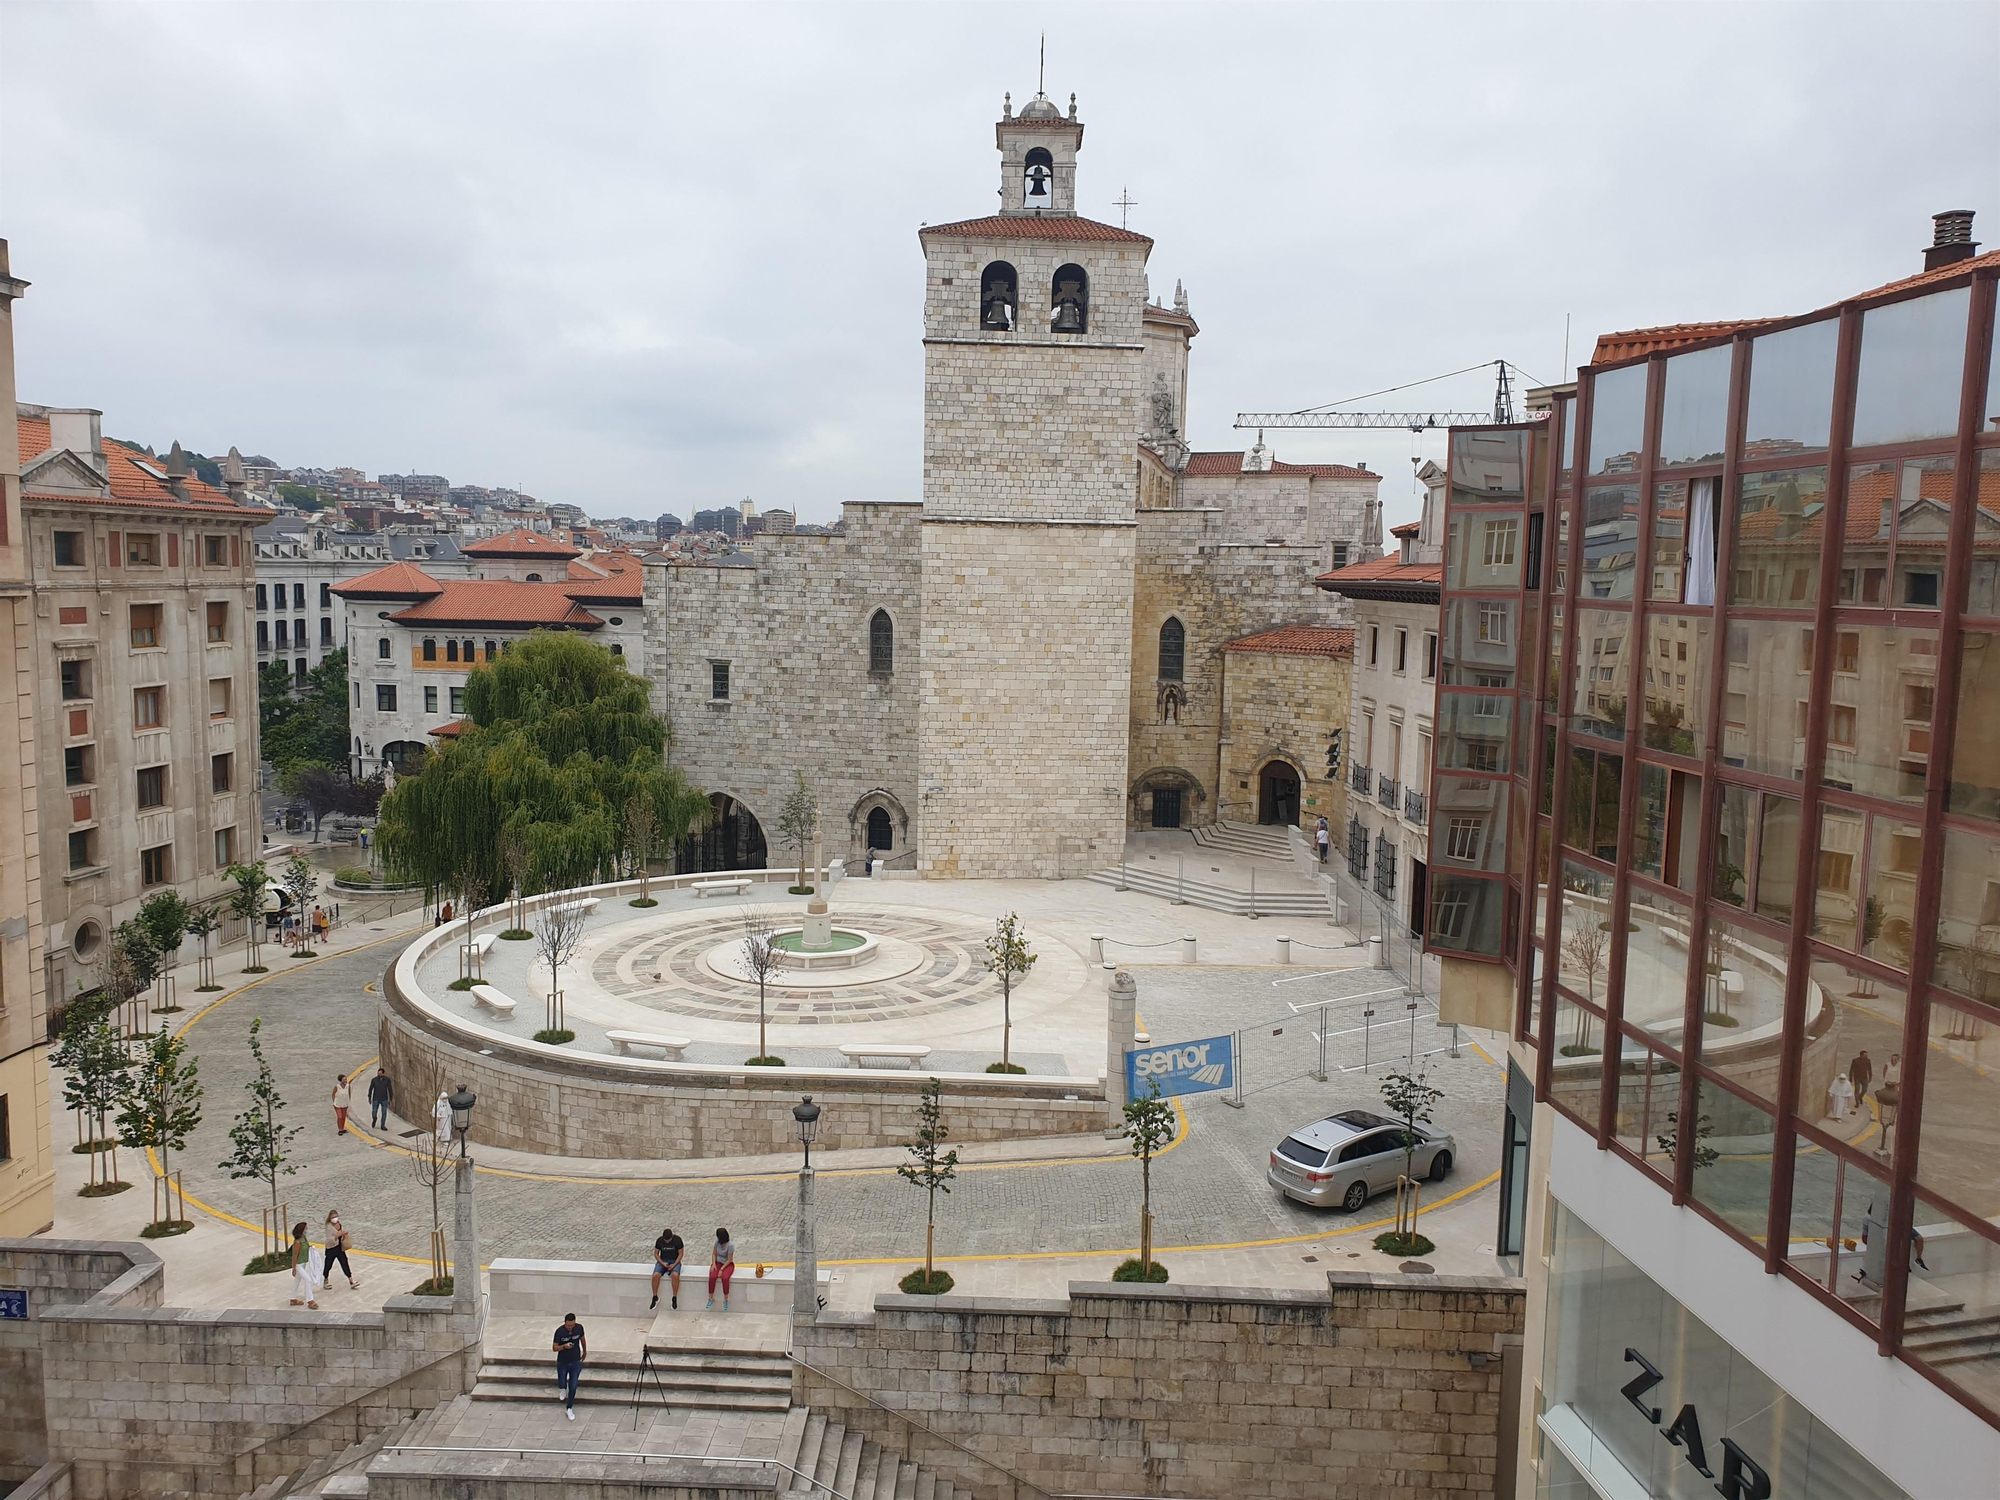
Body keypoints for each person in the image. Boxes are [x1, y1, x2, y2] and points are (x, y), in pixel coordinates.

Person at [551, 1311, 586, 1418]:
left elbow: (582, 1339)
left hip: (575, 1361)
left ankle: (569, 1407)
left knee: (573, 1385)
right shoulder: (560, 1331)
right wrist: (564, 1347)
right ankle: (562, 1388)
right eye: (568, 1325)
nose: (570, 1328)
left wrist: (584, 1351)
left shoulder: (579, 1328)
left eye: (572, 1325)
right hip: (563, 1361)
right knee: (562, 1380)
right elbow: (554, 1348)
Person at [322, 1210, 360, 1290]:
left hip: (339, 1248)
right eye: (332, 1217)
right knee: (328, 1265)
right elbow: (328, 1240)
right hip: (331, 1249)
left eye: (335, 1217)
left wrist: (344, 1234)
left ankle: (351, 1280)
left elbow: (341, 1235)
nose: (334, 1219)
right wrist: (336, 1236)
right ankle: (325, 1279)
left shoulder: (339, 1224)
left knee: (344, 1262)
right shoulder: (328, 1227)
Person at [288, 1221, 320, 1309]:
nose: (307, 1230)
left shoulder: (304, 1238)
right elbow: (295, 1256)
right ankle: (310, 1300)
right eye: (306, 1228)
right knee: (308, 1280)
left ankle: (293, 1298)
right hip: (298, 1265)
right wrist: (294, 1268)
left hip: (303, 1263)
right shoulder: (298, 1242)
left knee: (297, 1281)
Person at [651, 1226, 684, 1311]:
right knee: (655, 1275)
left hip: (674, 1260)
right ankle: (655, 1296)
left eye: (668, 1240)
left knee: (675, 1275)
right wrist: (662, 1263)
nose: (667, 1242)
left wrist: (674, 1264)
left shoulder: (677, 1240)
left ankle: (674, 1297)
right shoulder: (659, 1241)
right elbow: (656, 1254)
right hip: (663, 1260)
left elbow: (681, 1254)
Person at [707, 1227, 735, 1311]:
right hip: (718, 1262)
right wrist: (714, 1264)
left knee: (725, 1278)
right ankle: (710, 1298)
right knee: (712, 1277)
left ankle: (726, 1299)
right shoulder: (717, 1243)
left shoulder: (730, 1245)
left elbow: (730, 1259)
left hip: (727, 1264)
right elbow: (714, 1254)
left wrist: (721, 1269)